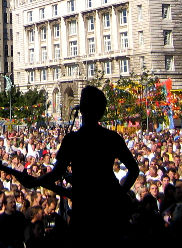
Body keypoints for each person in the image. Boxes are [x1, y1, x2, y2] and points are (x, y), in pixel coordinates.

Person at [29, 85, 139, 245]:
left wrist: (35, 181)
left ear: (83, 109)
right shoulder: (112, 137)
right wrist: (119, 194)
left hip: (84, 211)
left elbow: (57, 173)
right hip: (109, 211)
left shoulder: (73, 140)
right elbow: (134, 170)